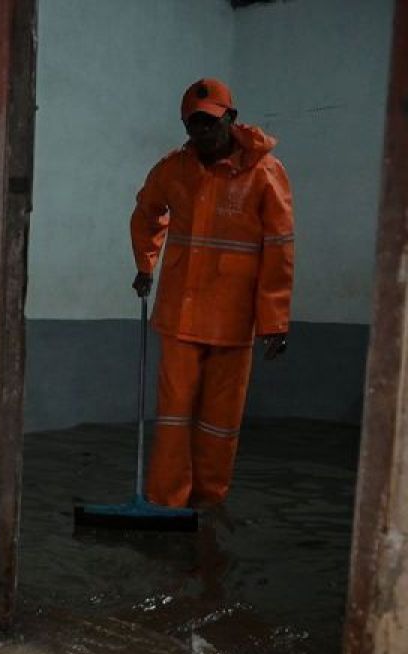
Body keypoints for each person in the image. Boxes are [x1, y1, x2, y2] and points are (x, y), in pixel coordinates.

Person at [130, 78, 294, 509]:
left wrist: (275, 320)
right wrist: (146, 263)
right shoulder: (173, 169)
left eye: (209, 123)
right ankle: (166, 505)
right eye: (192, 125)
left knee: (220, 423)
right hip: (180, 316)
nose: (201, 133)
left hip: (234, 321)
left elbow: (279, 248)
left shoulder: (266, 174)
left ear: (231, 119)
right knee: (174, 417)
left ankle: (208, 505)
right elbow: (147, 212)